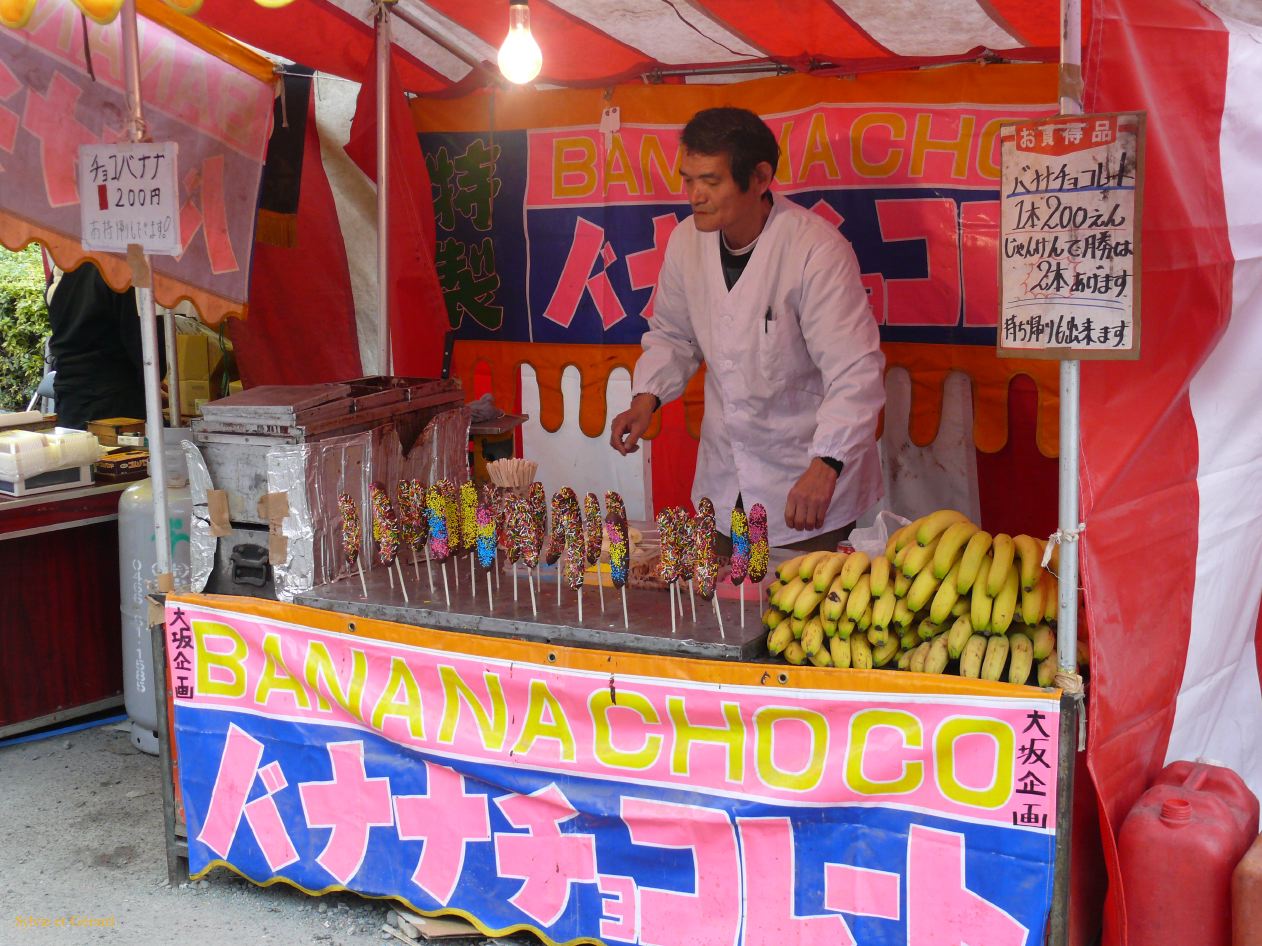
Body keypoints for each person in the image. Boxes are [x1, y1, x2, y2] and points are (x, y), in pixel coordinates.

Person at [609, 107, 884, 550]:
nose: (695, 195)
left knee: (796, 610)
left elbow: (855, 371)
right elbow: (673, 335)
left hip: (804, 484)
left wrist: (827, 463)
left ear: (759, 178)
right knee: (719, 608)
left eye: (711, 181)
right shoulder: (685, 242)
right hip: (723, 482)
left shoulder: (815, 250)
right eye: (688, 179)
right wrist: (647, 398)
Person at [46, 260, 164, 431]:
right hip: (115, 407)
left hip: (70, 402)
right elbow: (147, 350)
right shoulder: (117, 267)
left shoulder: (62, 267)